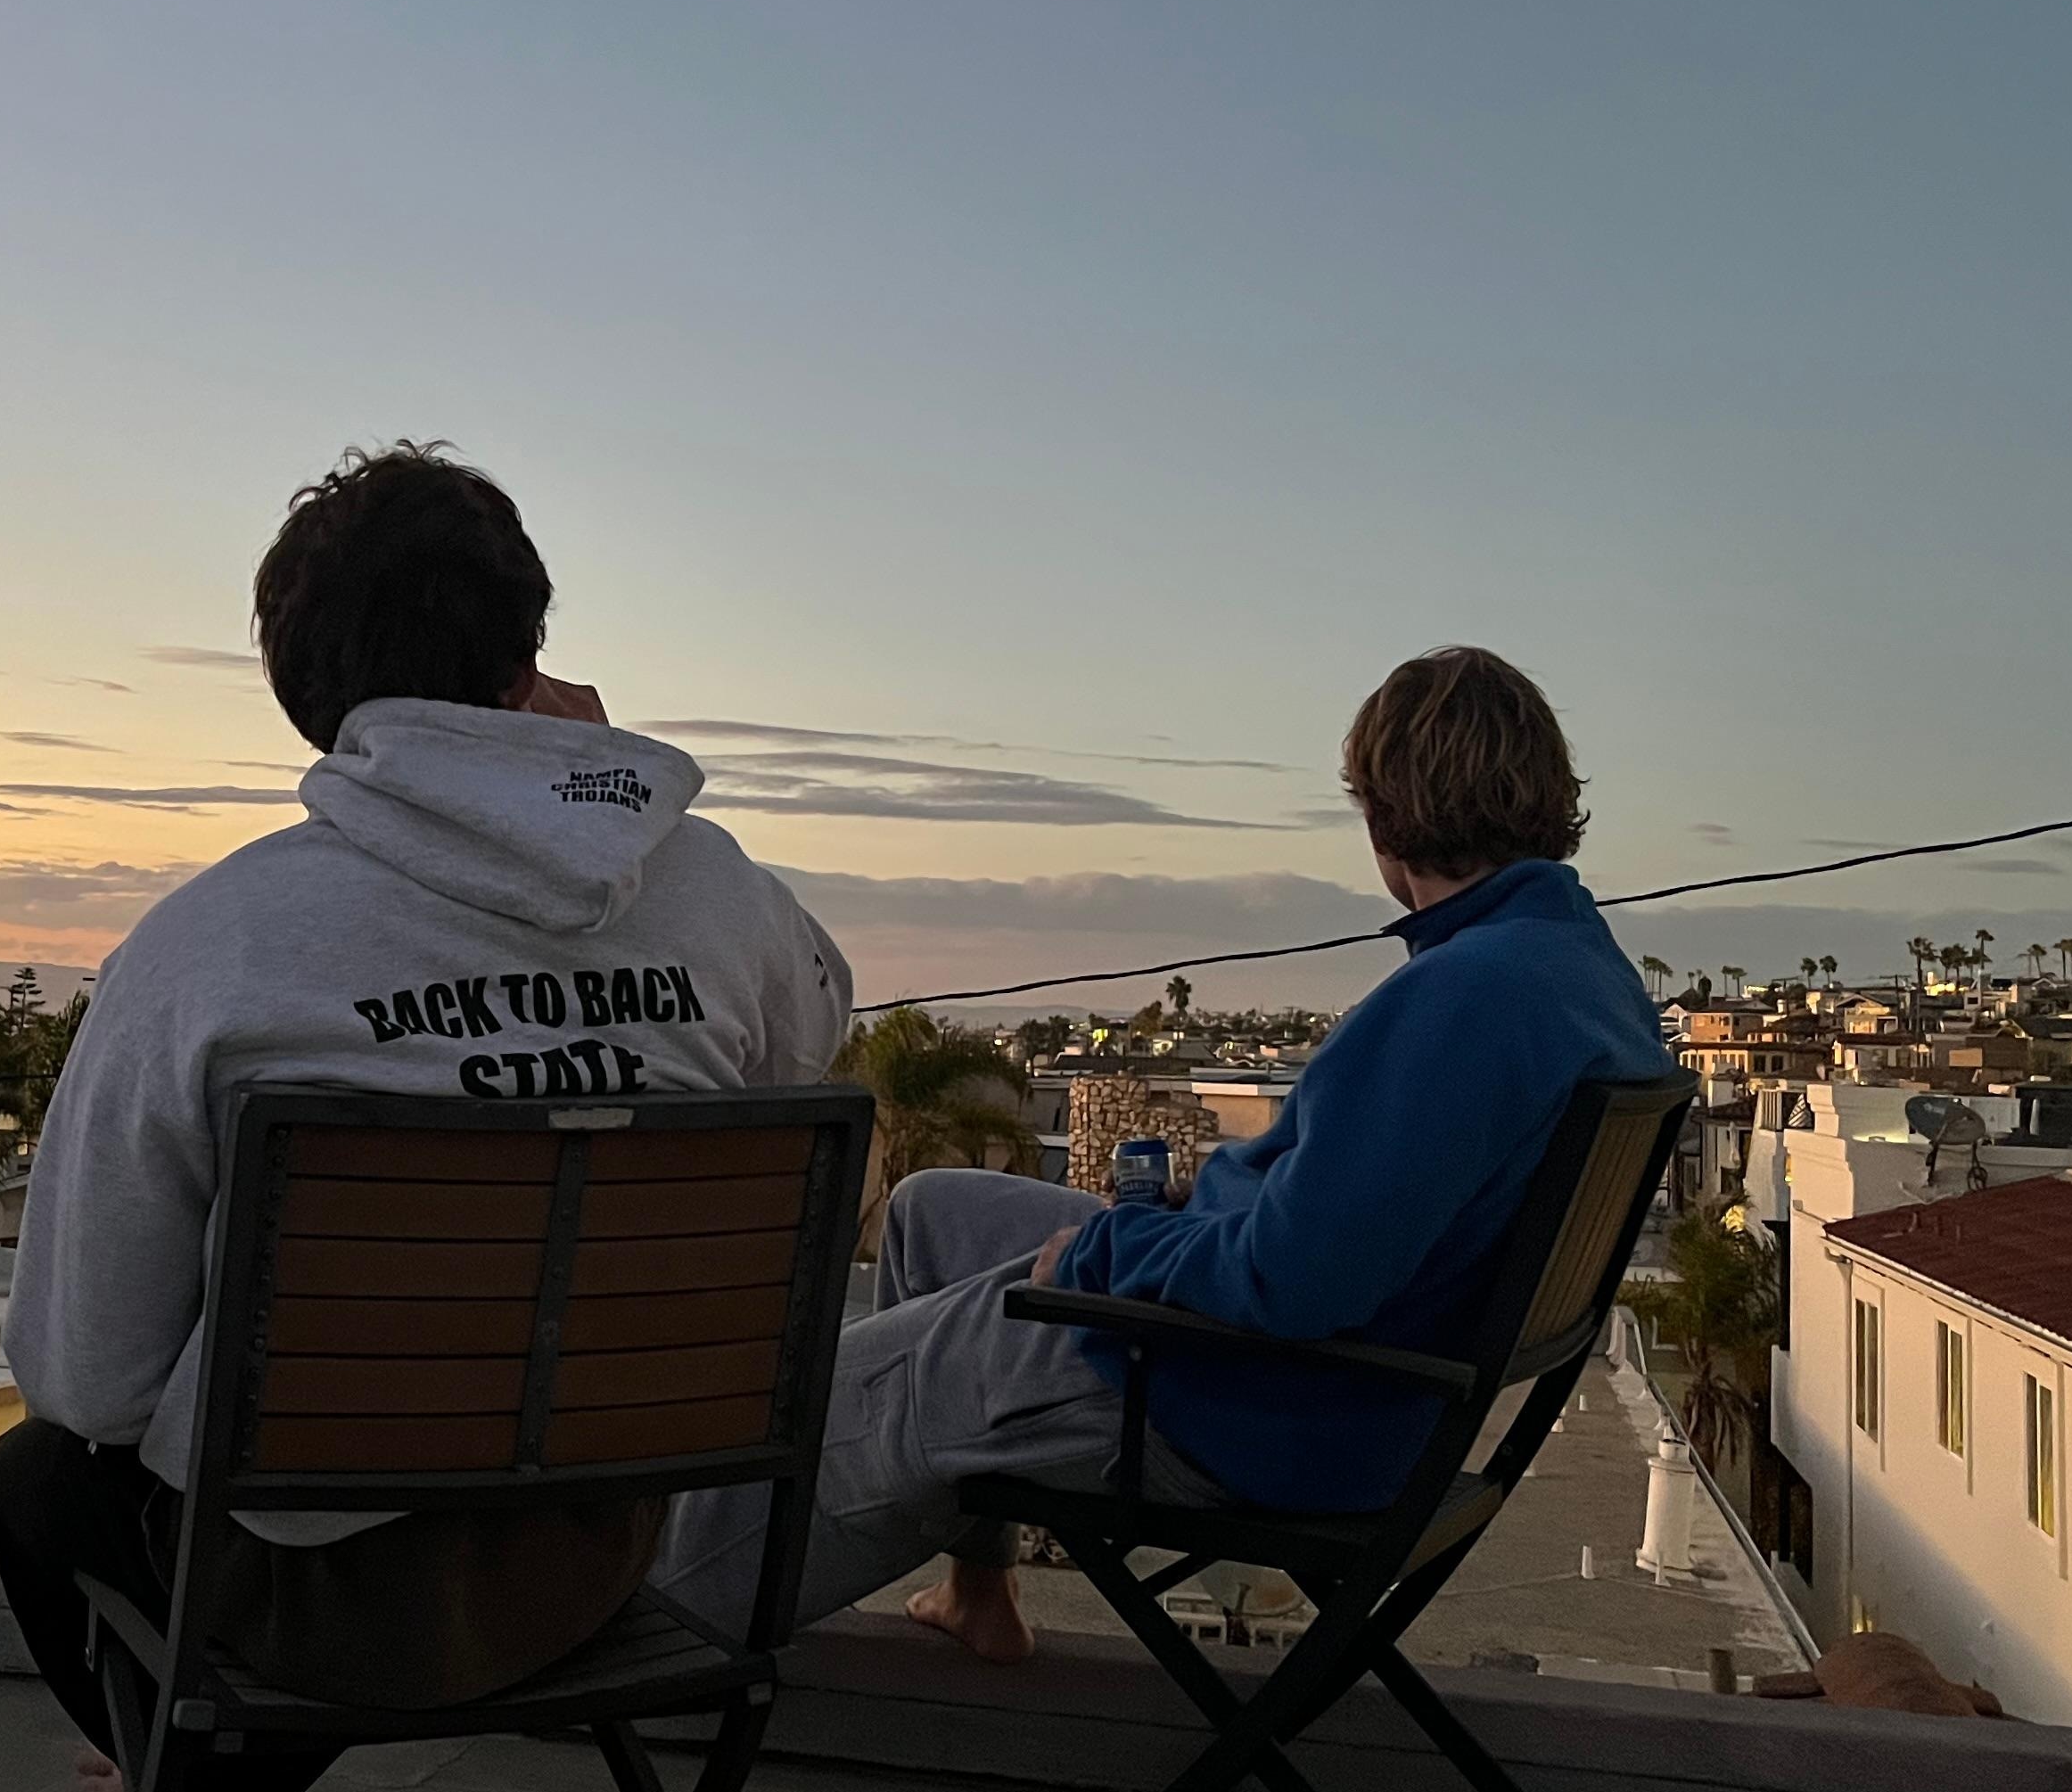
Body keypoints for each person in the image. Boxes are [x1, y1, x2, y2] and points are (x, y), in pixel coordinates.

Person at [0, 442, 852, 1792]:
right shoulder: (719, 891)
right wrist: (608, 795)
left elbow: (87, 1372)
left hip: (322, 1607)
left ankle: (183, 1786)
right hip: (593, 1556)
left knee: (38, 1477)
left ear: (314, 705)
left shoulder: (217, 946)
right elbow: (811, 1031)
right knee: (386, 1447)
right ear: (528, 658)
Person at [657, 645, 1667, 1662]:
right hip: (1338, 1391)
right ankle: (979, 1591)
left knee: (849, 1400)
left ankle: (648, 1628)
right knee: (935, 1212)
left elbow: (1296, 1280)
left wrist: (1108, 1258)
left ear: (1383, 814)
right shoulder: (1580, 976)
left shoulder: (1465, 998)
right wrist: (1196, 1213)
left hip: (1255, 1407)